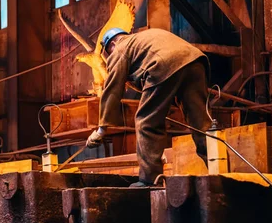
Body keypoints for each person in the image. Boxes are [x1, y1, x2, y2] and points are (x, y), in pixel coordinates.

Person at [86, 27, 211, 187]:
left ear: (112, 43)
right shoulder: (146, 39)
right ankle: (219, 171)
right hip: (195, 61)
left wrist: (101, 129)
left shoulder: (121, 48)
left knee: (146, 123)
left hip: (163, 64)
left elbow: (112, 89)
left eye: (109, 51)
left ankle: (150, 180)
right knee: (202, 125)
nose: (110, 55)